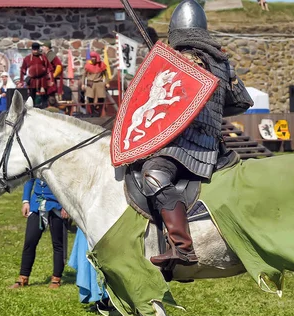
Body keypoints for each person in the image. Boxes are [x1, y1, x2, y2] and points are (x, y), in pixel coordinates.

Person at [129, 0, 252, 268]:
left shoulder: (183, 59)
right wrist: (212, 110)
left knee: (154, 174)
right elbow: (240, 101)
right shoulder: (221, 60)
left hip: (186, 146)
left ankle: (182, 248)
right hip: (215, 144)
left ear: (176, 30)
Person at [9, 178, 69, 289]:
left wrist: (67, 205)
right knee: (30, 242)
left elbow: (68, 182)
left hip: (57, 205)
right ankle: (23, 277)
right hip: (37, 203)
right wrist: (26, 201)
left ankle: (56, 279)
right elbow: (30, 180)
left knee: (58, 244)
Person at [20, 42, 52, 107]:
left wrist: (51, 80)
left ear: (38, 50)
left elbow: (49, 69)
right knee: (31, 97)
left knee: (44, 98)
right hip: (32, 81)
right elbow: (23, 69)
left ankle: (45, 110)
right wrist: (21, 81)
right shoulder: (27, 58)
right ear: (32, 50)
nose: (35, 51)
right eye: (34, 50)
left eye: (37, 50)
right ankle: (32, 111)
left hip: (42, 80)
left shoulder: (43, 57)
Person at [82, 52, 109, 117]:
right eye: (91, 57)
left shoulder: (101, 65)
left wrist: (107, 82)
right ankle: (92, 113)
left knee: (101, 99)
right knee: (90, 98)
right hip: (90, 83)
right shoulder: (88, 65)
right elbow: (84, 75)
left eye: (93, 57)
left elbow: (106, 74)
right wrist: (83, 84)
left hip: (99, 83)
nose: (92, 59)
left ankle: (99, 112)